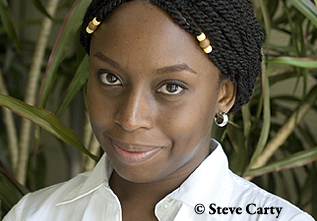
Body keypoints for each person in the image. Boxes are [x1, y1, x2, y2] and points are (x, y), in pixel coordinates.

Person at [4, 0, 315, 220]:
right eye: (110, 78)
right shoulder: (35, 214)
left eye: (171, 87)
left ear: (225, 94)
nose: (130, 118)